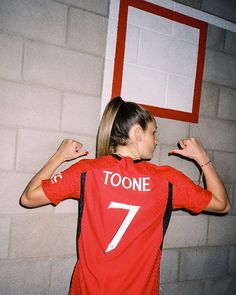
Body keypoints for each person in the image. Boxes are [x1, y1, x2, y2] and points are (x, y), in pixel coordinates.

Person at [20, 97, 231, 295]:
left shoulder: (87, 172)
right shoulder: (166, 180)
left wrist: (60, 156)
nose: (156, 141)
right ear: (138, 133)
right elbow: (222, 205)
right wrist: (202, 157)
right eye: (153, 132)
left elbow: (29, 198)